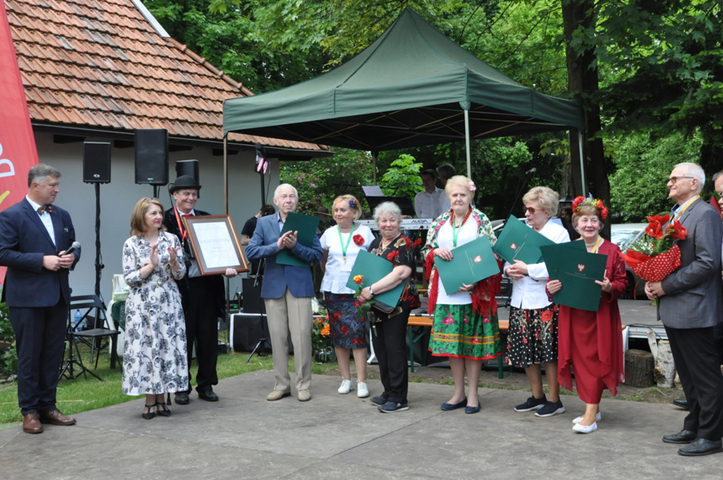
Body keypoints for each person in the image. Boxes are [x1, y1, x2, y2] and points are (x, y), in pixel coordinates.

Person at [646, 163, 723, 456]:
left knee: (704, 376)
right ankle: (694, 424)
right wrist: (651, 282)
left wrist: (666, 286)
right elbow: (662, 259)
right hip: (675, 308)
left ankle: (711, 435)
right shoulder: (676, 216)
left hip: (696, 308)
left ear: (694, 183)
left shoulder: (704, 214)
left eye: (674, 178)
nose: (669, 182)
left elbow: (708, 262)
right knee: (689, 376)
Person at [0, 164, 80, 434]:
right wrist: (41, 260)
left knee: (51, 355)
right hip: (26, 298)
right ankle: (29, 411)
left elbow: (74, 246)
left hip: (57, 295)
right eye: (52, 185)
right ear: (35, 186)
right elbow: (3, 253)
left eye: (57, 185)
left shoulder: (62, 215)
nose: (57, 190)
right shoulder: (11, 215)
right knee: (29, 356)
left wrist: (71, 258)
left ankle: (48, 406)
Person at [421, 175, 501, 414]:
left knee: (472, 345)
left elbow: (493, 253)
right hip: (447, 291)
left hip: (474, 293)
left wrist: (476, 280)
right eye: (454, 195)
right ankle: (458, 393)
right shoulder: (440, 221)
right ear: (448, 197)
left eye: (463, 195)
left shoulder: (480, 220)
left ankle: (474, 395)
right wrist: (436, 250)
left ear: (470, 197)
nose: (458, 199)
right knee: (454, 346)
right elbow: (426, 250)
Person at [548, 196, 626, 434]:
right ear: (576, 223)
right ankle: (593, 408)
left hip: (600, 315)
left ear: (600, 225)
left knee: (595, 359)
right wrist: (550, 288)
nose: (589, 224)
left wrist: (609, 286)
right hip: (573, 314)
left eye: (594, 220)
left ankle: (590, 416)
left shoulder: (612, 250)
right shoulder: (567, 251)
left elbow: (622, 283)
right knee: (581, 360)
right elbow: (556, 280)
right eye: (584, 220)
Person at [246, 184, 323, 402]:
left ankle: (303, 384)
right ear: (276, 200)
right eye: (284, 197)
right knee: (278, 337)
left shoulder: (305, 223)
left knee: (301, 336)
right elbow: (251, 251)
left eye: (292, 196)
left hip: (300, 286)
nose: (288, 200)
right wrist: (276, 246)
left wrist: (296, 246)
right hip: (274, 286)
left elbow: (317, 256)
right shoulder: (262, 223)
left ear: (296, 201)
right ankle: (281, 384)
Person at [164, 175, 237, 405]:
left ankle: (206, 385)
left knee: (207, 338)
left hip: (206, 286)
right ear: (175, 195)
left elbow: (221, 250)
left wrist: (228, 266)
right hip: (178, 289)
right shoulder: (164, 219)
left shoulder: (207, 219)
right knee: (182, 339)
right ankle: (181, 387)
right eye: (186, 193)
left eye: (194, 194)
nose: (191, 198)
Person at [505, 187, 570, 418]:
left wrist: (527, 268)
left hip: (545, 301)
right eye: (526, 208)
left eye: (532, 209)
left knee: (548, 352)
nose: (527, 213)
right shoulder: (522, 231)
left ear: (547, 210)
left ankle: (554, 399)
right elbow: (507, 256)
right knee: (525, 350)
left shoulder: (559, 234)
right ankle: (537, 396)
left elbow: (558, 265)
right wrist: (509, 270)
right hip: (520, 299)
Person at [122, 197, 189, 419]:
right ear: (142, 216)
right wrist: (150, 265)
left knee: (166, 347)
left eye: (160, 213)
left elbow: (180, 275)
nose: (159, 217)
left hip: (168, 302)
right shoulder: (131, 243)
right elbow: (130, 278)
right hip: (142, 304)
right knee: (147, 349)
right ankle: (149, 399)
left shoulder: (171, 239)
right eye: (153, 213)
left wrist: (173, 262)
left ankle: (161, 398)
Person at [357, 202, 420, 413]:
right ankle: (388, 391)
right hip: (376, 306)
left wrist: (371, 290)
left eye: (392, 220)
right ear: (378, 223)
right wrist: (361, 290)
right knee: (381, 348)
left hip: (397, 305)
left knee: (395, 349)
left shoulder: (405, 243)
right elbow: (364, 271)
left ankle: (399, 398)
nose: (388, 224)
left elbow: (401, 273)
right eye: (384, 220)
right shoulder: (375, 244)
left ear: (399, 222)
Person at [320, 195, 375, 397]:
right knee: (338, 334)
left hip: (357, 290)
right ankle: (346, 379)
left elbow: (372, 259)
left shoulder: (366, 232)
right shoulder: (328, 233)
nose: (338, 214)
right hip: (333, 288)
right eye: (336, 210)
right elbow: (323, 261)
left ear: (354, 212)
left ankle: (362, 381)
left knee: (358, 333)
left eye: (343, 210)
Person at [241, 204, 276, 276]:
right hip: (256, 258)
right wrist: (258, 239)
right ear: (260, 213)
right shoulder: (250, 222)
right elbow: (243, 241)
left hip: (269, 256)